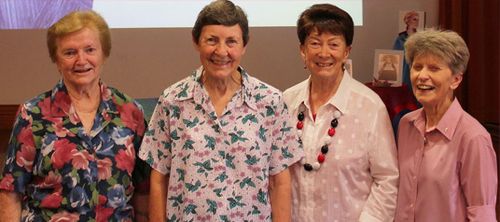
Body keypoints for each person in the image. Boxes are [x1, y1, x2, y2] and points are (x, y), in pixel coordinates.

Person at [138, 0, 303, 221]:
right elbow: (158, 179)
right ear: (196, 41)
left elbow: (280, 182)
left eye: (231, 41)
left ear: (244, 45)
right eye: (211, 40)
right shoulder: (173, 101)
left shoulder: (270, 102)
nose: (221, 51)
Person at [0, 10, 150, 221]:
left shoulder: (130, 111)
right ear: (56, 59)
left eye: (90, 50)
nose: (81, 60)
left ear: (103, 53)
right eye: (70, 52)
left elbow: (144, 191)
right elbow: (11, 191)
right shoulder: (33, 114)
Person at [284, 4, 399, 221]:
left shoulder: (370, 106)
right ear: (303, 50)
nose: (324, 53)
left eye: (334, 44)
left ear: (346, 51)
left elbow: (387, 179)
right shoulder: (287, 102)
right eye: (315, 44)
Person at [395, 29, 497, 222]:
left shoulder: (474, 138)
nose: (422, 76)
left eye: (434, 68)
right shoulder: (406, 124)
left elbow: (482, 213)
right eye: (417, 67)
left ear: (456, 79)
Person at [393, 11, 419, 89]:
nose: (417, 22)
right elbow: (396, 56)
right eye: (414, 19)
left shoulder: (420, 37)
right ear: (408, 21)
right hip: (405, 71)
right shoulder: (401, 38)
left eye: (418, 20)